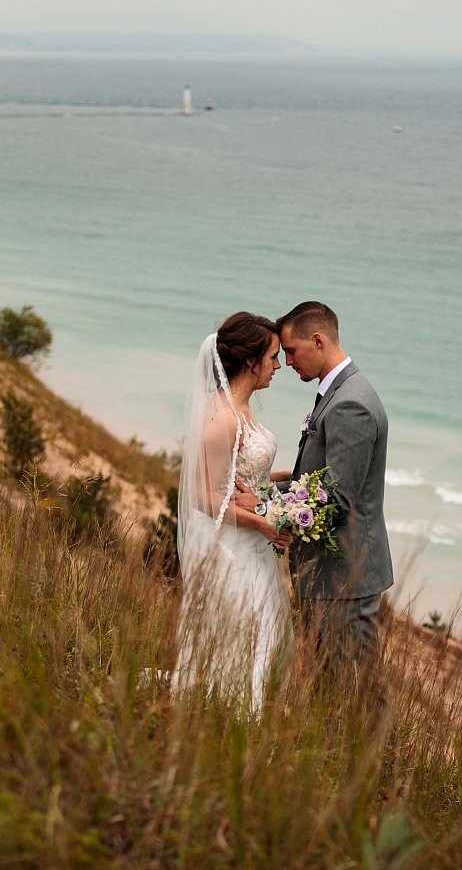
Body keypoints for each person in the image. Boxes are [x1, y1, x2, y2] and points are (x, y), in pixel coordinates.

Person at [268, 301, 392, 688]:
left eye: (291, 351)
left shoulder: (350, 404)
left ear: (317, 340)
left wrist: (263, 507)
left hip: (343, 581)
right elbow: (318, 479)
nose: (287, 362)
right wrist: (273, 486)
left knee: (350, 694)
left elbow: (335, 500)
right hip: (331, 578)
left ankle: (369, 752)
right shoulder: (339, 392)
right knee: (333, 690)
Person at [174, 312, 291, 712]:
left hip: (252, 546)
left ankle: (244, 718)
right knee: (242, 639)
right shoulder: (220, 419)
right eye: (273, 357)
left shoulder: (242, 410)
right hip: (231, 551)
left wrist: (293, 478)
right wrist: (263, 523)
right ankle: (234, 720)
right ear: (250, 361)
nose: (279, 366)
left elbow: (244, 476)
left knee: (262, 638)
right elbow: (201, 495)